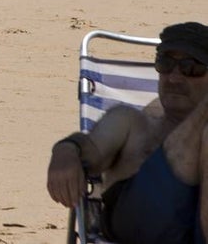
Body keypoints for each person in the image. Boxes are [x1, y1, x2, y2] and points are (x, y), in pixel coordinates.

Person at [47, 22, 208, 244]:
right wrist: (65, 150)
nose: (174, 78)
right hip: (140, 223)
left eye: (191, 67)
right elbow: (91, 150)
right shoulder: (131, 122)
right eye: (165, 64)